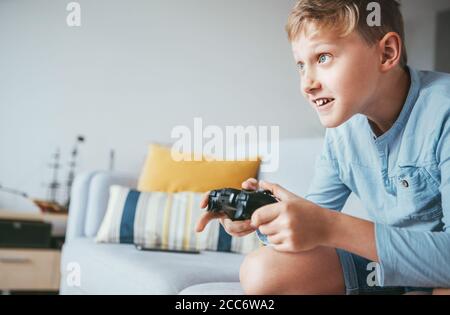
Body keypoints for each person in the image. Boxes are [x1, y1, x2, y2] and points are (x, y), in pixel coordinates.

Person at [196, 0, 450, 295]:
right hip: (386, 269)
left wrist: (330, 226)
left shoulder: (443, 111)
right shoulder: (343, 132)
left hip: (440, 267)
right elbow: (313, 222)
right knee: (261, 270)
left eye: (324, 57)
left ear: (386, 53)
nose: (307, 83)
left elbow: (325, 225)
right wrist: (262, 215)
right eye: (301, 65)